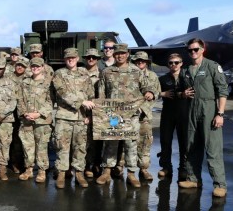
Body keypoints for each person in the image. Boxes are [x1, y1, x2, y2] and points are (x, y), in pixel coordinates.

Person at [96, 43, 155, 188]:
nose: (120, 55)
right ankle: (107, 171)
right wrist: (102, 111)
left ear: (127, 54)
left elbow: (147, 86)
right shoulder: (106, 72)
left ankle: (131, 174)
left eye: (123, 53)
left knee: (131, 144)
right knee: (111, 143)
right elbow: (101, 92)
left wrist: (150, 92)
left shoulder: (136, 71)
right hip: (113, 114)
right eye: (117, 53)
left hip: (131, 114)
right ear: (114, 54)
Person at [179, 38, 228, 198]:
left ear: (202, 49)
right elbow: (180, 90)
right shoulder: (186, 70)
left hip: (209, 109)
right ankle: (193, 179)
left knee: (213, 147)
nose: (193, 52)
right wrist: (183, 94)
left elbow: (222, 91)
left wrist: (220, 113)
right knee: (192, 145)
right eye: (190, 50)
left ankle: (220, 184)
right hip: (192, 109)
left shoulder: (212, 66)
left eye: (196, 49)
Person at [52, 48, 95, 188]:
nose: (70, 60)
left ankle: (79, 173)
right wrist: (81, 102)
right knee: (61, 146)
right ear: (65, 60)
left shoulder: (84, 73)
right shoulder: (59, 74)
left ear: (77, 59)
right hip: (64, 116)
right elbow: (62, 92)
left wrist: (89, 115)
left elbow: (91, 95)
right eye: (67, 58)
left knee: (81, 146)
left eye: (73, 57)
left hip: (81, 117)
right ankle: (62, 173)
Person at [17, 57, 54, 183]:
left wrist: (38, 114)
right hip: (26, 120)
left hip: (42, 121)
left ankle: (42, 171)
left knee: (41, 147)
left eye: (38, 66)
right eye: (33, 66)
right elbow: (20, 99)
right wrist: (24, 113)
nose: (35, 68)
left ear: (43, 67)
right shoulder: (24, 82)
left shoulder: (48, 83)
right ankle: (29, 169)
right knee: (27, 146)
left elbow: (50, 102)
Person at [158, 53, 188, 179]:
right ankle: (166, 167)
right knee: (165, 141)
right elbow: (153, 91)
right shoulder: (163, 79)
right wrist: (162, 93)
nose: (173, 65)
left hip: (184, 113)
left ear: (181, 63)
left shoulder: (188, 77)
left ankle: (184, 168)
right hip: (168, 113)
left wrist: (180, 94)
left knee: (184, 142)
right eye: (171, 63)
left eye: (176, 62)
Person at [131, 51, 161, 181]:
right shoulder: (130, 74)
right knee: (125, 142)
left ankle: (143, 169)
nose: (140, 63)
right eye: (137, 61)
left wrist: (143, 106)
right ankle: (122, 169)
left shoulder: (153, 76)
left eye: (142, 61)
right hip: (129, 115)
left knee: (145, 143)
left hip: (144, 115)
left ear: (147, 62)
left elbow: (156, 94)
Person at [83, 48, 103, 177]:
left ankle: (96, 164)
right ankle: (86, 166)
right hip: (82, 111)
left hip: (98, 112)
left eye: (94, 58)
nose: (91, 59)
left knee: (98, 141)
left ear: (97, 59)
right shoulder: (80, 73)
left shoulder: (103, 74)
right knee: (84, 141)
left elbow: (103, 97)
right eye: (89, 57)